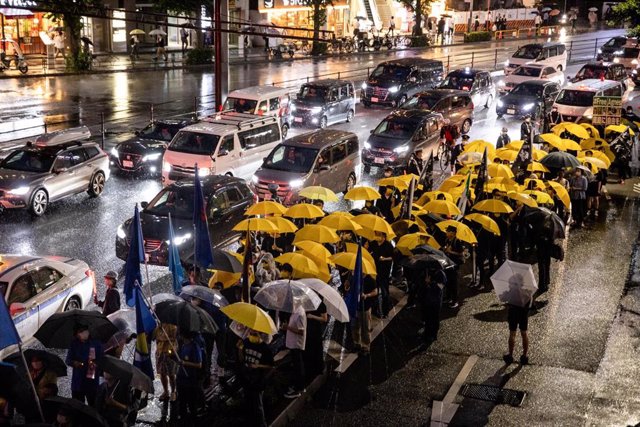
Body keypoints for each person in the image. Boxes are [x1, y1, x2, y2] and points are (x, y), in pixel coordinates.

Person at [237, 330, 274, 427]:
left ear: (261, 335)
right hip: (246, 379)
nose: (252, 336)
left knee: (258, 405)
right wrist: (240, 349)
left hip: (258, 381)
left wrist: (258, 366)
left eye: (255, 334)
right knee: (248, 403)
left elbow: (271, 366)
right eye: (251, 334)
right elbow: (241, 360)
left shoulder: (265, 349)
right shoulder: (246, 342)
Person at [66, 324, 103, 405]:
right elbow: (68, 360)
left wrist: (96, 364)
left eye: (85, 330)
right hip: (78, 383)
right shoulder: (74, 344)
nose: (84, 332)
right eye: (81, 331)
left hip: (92, 383)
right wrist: (74, 363)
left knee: (93, 406)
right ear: (77, 334)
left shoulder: (96, 344)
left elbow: (102, 360)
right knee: (77, 406)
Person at [503, 276, 532, 365]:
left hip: (513, 315)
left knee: (512, 334)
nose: (508, 285)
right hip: (523, 315)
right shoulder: (527, 292)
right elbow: (530, 305)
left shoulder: (510, 293)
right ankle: (524, 356)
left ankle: (510, 355)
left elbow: (503, 298)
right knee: (524, 334)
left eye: (510, 283)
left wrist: (504, 295)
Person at [176, 330, 204, 421]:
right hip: (181, 379)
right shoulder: (183, 346)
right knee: (182, 402)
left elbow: (199, 365)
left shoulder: (195, 347)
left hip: (190, 381)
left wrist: (185, 363)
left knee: (192, 403)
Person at [282, 304, 307, 398]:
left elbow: (301, 331)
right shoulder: (295, 311)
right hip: (293, 343)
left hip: (296, 344)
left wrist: (287, 327)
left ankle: (298, 389)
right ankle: (299, 385)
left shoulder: (300, 313)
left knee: (298, 366)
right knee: (297, 365)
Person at [369, 231, 394, 317]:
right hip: (374, 272)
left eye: (379, 235)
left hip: (384, 273)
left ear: (384, 236)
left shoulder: (388, 246)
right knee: (374, 292)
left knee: (384, 293)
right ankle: (375, 310)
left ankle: (385, 311)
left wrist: (385, 259)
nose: (377, 237)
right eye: (376, 235)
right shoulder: (373, 244)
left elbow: (392, 257)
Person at [351, 274, 378, 355]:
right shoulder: (355, 277)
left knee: (365, 328)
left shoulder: (370, 280)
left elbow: (376, 291)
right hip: (355, 307)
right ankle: (357, 344)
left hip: (365, 308)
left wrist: (366, 295)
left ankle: (365, 347)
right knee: (354, 326)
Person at [419, 268, 445, 345]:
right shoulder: (426, 271)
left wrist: (430, 282)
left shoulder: (441, 274)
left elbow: (440, 287)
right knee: (427, 318)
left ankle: (433, 335)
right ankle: (427, 333)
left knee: (434, 318)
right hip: (427, 300)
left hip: (435, 301)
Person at [153, 322, 178, 402]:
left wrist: (164, 338)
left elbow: (174, 338)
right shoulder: (159, 326)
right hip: (160, 352)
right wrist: (159, 329)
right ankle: (166, 391)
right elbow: (155, 337)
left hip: (169, 353)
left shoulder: (173, 326)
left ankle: (173, 391)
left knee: (171, 374)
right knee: (162, 373)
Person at [304, 300, 328, 380]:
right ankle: (311, 369)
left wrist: (312, 316)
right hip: (308, 329)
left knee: (317, 349)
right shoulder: (306, 303)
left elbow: (324, 319)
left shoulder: (321, 304)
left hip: (316, 330)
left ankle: (318, 369)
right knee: (309, 350)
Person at [442, 226, 464, 308]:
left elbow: (461, 254)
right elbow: (446, 250)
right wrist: (445, 249)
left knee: (453, 283)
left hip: (454, 264)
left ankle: (455, 301)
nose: (446, 232)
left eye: (448, 231)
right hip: (447, 263)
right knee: (447, 281)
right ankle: (448, 297)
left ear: (453, 233)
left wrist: (450, 251)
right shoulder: (447, 240)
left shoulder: (457, 241)